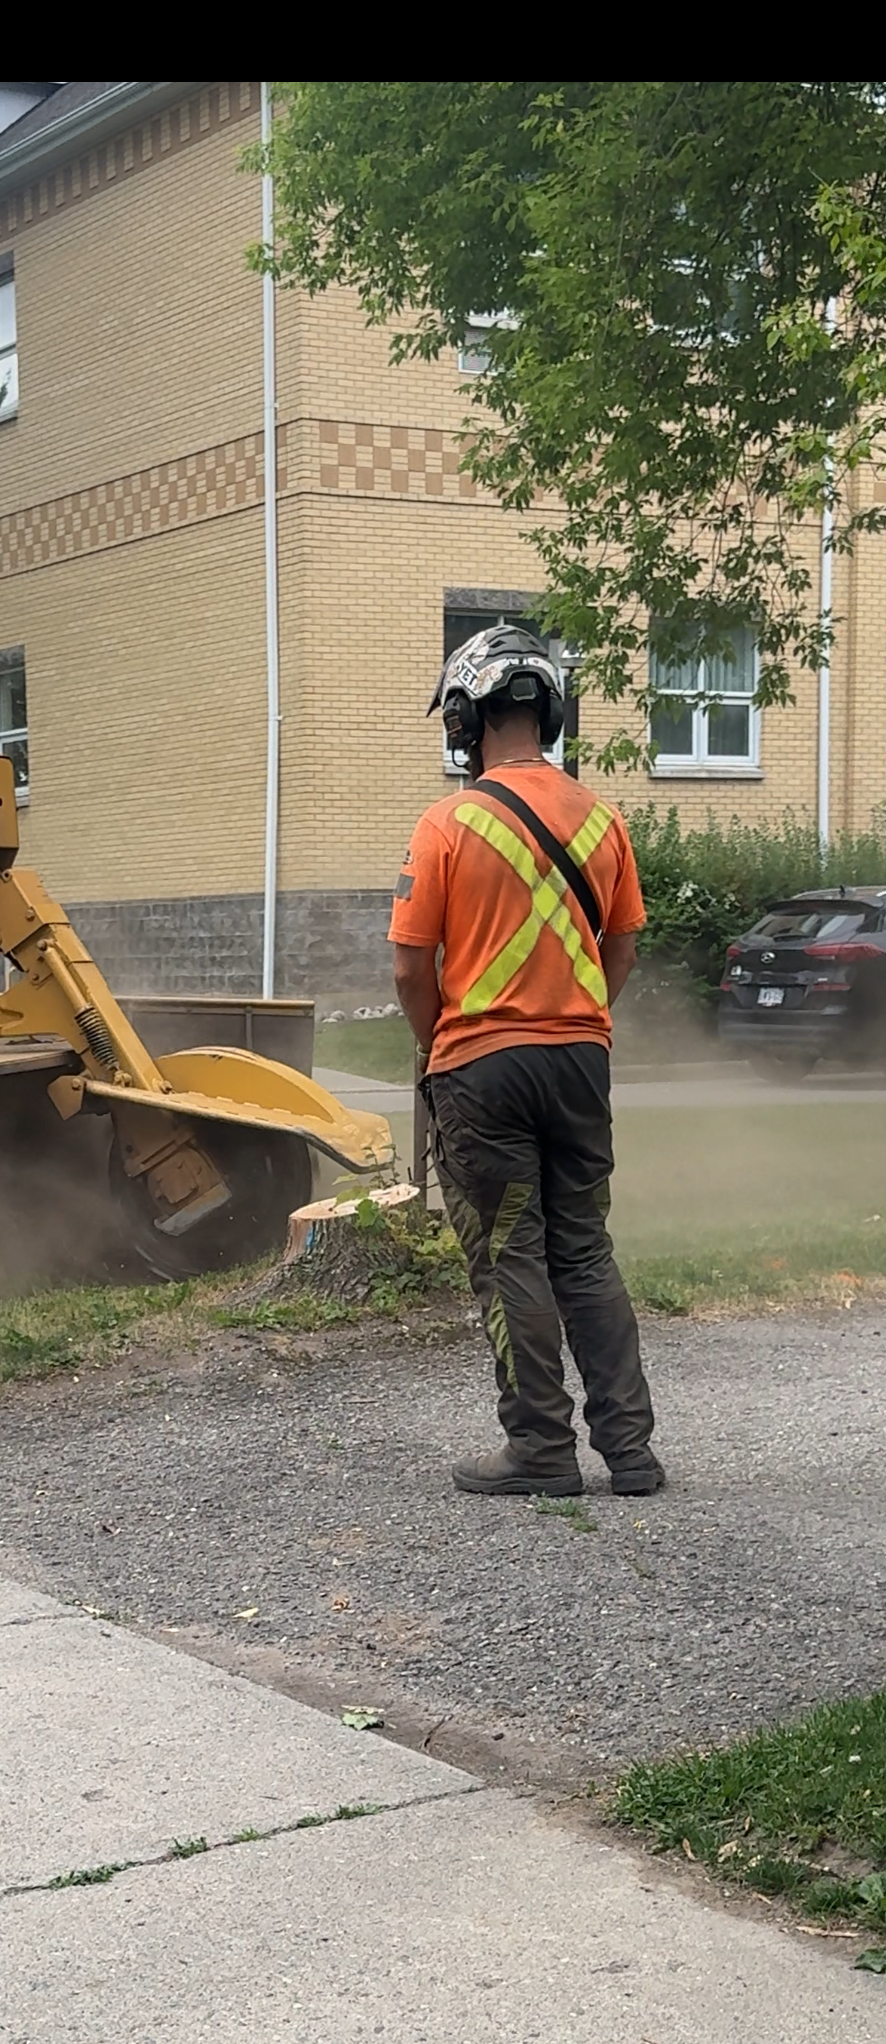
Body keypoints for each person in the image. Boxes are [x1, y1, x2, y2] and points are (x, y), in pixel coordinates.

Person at [389, 625, 664, 1498]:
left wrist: (437, 1044)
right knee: (584, 1249)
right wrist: (576, 1019)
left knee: (511, 1253)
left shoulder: (445, 822)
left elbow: (407, 965)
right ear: (550, 709)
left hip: (482, 1072)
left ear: (467, 718)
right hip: (580, 1062)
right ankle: (631, 1452)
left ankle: (540, 1446)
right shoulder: (605, 818)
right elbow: (621, 946)